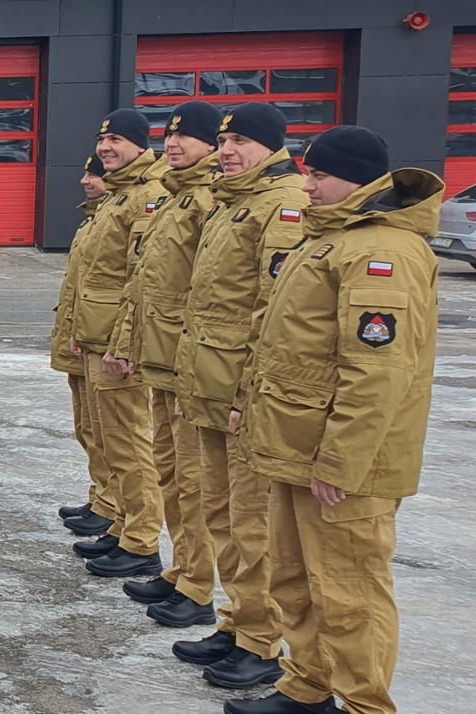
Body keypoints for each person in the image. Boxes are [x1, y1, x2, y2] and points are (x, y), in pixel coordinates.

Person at [225, 126, 438, 714]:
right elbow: (283, 343)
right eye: (307, 174)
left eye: (319, 176)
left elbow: (377, 372)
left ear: (358, 179)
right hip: (299, 446)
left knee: (350, 592)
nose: (308, 186)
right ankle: (308, 686)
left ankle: (365, 703)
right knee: (295, 578)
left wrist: (341, 461)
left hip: (346, 462)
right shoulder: (330, 239)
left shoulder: (381, 252)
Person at [171, 102, 306, 691]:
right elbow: (205, 304)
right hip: (209, 382)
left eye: (241, 141)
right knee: (220, 512)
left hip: (241, 392)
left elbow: (273, 313)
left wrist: (246, 393)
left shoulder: (283, 204)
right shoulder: (233, 201)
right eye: (224, 142)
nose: (227, 151)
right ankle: (238, 620)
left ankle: (261, 639)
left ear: (272, 147)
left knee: (252, 523)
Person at [107, 101, 223, 627]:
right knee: (172, 471)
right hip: (163, 358)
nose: (173, 144)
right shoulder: (179, 197)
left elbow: (212, 297)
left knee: (196, 481)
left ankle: (197, 584)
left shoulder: (208, 200)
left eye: (186, 136)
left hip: (191, 362)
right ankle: (182, 571)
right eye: (170, 135)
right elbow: (143, 284)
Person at [71, 109, 170, 580]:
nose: (105, 148)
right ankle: (123, 524)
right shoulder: (120, 195)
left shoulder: (148, 196)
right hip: (98, 339)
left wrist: (125, 343)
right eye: (101, 140)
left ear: (139, 144)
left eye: (115, 141)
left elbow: (141, 279)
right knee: (110, 440)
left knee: (130, 444)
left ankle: (142, 540)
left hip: (118, 345)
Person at [53, 155, 117, 540]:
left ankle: (113, 506)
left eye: (94, 174)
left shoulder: (121, 215)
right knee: (87, 428)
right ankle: (101, 497)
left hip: (101, 339)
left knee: (110, 434)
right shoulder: (93, 218)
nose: (85, 180)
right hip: (81, 336)